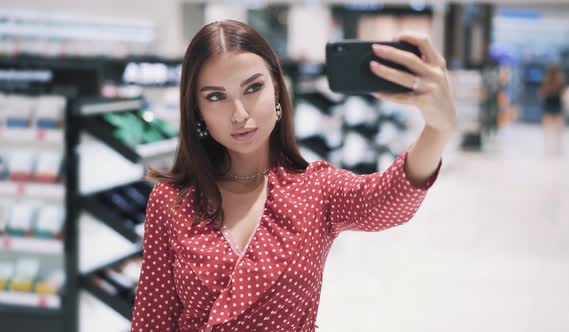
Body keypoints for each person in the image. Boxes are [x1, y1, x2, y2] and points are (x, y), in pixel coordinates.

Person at [131, 20, 456, 332]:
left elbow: (389, 199)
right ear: (197, 111)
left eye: (253, 88)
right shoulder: (172, 202)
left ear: (277, 91)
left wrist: (437, 127)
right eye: (216, 97)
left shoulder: (315, 190)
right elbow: (152, 319)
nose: (240, 115)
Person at [540, 65, 567, 156]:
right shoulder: (556, 83)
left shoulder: (550, 83)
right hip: (553, 108)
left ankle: (552, 148)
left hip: (553, 108)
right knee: (556, 131)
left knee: (552, 131)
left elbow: (542, 94)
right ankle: (554, 148)